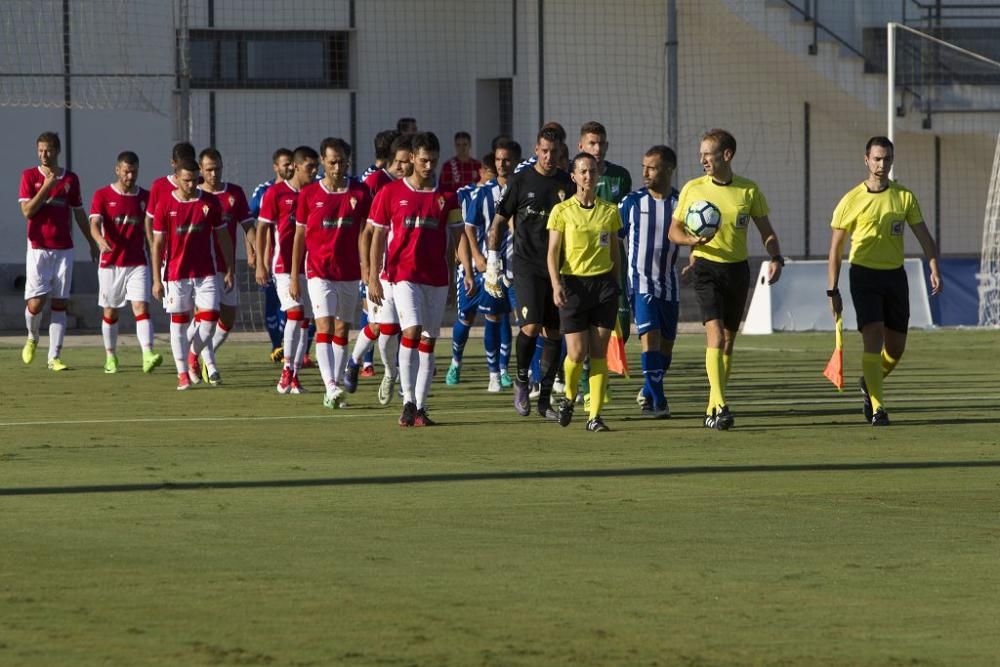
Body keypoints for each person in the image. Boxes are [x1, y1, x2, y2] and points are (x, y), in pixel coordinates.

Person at [668, 128, 784, 430]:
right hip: (706, 268)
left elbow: (766, 231)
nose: (702, 159)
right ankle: (720, 407)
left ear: (727, 155)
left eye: (709, 153)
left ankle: (712, 405)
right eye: (702, 153)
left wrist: (776, 258)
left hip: (737, 270)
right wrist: (691, 241)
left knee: (729, 342)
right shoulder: (693, 189)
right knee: (716, 337)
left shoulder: (749, 191)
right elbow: (674, 231)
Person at [828, 136, 942, 426]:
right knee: (873, 334)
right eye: (877, 158)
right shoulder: (850, 200)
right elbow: (836, 249)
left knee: (896, 348)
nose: (882, 164)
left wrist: (934, 267)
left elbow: (925, 237)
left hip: (895, 276)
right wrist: (833, 290)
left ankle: (869, 382)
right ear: (866, 160)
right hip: (863, 274)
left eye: (887, 159)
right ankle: (878, 408)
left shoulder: (904, 197)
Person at [367, 131, 473, 427]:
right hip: (402, 276)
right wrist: (374, 276)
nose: (429, 166)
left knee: (429, 339)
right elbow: (376, 235)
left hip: (436, 277)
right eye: (424, 160)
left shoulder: (447, 196)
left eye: (434, 161)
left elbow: (457, 235)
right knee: (411, 331)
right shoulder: (390, 193)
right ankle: (408, 401)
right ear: (412, 158)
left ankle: (421, 408)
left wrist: (465, 271)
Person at [486, 125, 575, 419]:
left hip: (559, 269)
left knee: (555, 333)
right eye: (544, 151)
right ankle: (522, 381)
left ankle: (544, 399)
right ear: (536, 150)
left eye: (554, 152)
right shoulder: (521, 181)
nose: (549, 157)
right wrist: (492, 262)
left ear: (561, 153)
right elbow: (498, 223)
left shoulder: (568, 184)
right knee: (530, 327)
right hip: (526, 266)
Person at [290, 137, 371, 410]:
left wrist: (367, 271)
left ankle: (333, 387)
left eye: (342, 162)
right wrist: (293, 276)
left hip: (349, 272)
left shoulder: (360, 193)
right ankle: (331, 385)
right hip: (318, 271)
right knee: (323, 326)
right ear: (323, 162)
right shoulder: (309, 195)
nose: (337, 167)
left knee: (342, 330)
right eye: (332, 162)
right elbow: (299, 236)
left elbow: (364, 234)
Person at [547, 152, 622, 432]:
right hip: (573, 286)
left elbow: (615, 252)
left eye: (592, 171)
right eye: (583, 171)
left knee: (599, 353)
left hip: (603, 287)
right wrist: (556, 285)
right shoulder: (562, 211)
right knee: (577, 354)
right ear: (574, 176)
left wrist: (616, 287)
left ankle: (594, 416)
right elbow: (553, 253)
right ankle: (568, 396)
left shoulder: (609, 211)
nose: (588, 176)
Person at [150, 158, 234, 390]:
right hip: (176, 274)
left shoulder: (210, 203)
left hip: (206, 271)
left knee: (210, 318)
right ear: (176, 178)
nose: (191, 185)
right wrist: (157, 279)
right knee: (179, 322)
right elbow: (157, 244)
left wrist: (229, 268)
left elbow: (223, 236)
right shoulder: (165, 204)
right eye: (186, 180)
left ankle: (192, 355)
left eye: (194, 180)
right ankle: (182, 374)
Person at [19, 131, 98, 371]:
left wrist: (92, 242)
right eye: (40, 150)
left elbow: (79, 213)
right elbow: (27, 212)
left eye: (48, 150)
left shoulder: (71, 179)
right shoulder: (29, 176)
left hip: (64, 249)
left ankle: (54, 357)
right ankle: (32, 337)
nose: (44, 155)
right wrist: (46, 186)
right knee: (35, 304)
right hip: (38, 249)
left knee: (60, 302)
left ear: (57, 151)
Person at [346, 134, 413, 404]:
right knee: (381, 327)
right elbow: (366, 228)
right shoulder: (376, 183)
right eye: (400, 162)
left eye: (408, 161)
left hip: (407, 272)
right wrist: (366, 268)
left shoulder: (418, 187)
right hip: (380, 271)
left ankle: (363, 364)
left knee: (394, 328)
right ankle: (377, 368)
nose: (403, 167)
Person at [451, 141, 519, 391]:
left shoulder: (522, 188)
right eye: (498, 160)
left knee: (522, 323)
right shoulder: (482, 193)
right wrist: (478, 257)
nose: (501, 164)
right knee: (489, 317)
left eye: (507, 159)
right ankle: (491, 373)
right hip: (490, 267)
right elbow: (468, 227)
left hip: (516, 267)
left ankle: (510, 371)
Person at [88, 150, 163, 374]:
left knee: (141, 306)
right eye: (127, 172)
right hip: (111, 263)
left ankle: (148, 354)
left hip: (137, 262)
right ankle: (111, 357)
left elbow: (153, 229)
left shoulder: (145, 198)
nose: (130, 176)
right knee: (111, 312)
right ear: (117, 170)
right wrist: (100, 240)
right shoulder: (102, 195)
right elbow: (94, 224)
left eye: (134, 172)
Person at [619, 145, 680, 418]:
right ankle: (659, 402)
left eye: (651, 167)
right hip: (639, 282)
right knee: (650, 338)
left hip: (669, 283)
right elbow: (612, 237)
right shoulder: (631, 203)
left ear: (668, 170)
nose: (644, 172)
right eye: (643, 166)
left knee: (665, 348)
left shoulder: (682, 204)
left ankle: (648, 388)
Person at [255, 145, 319, 395]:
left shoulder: (316, 193)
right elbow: (262, 229)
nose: (314, 172)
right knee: (294, 313)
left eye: (316, 167)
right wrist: (261, 262)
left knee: (305, 320)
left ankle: (293, 374)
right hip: (283, 266)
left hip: (312, 266)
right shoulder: (275, 193)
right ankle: (286, 371)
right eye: (309, 167)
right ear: (295, 166)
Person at [189, 148, 255, 379]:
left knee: (228, 317)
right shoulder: (193, 195)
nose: (214, 173)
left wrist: (255, 251)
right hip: (201, 267)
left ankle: (198, 354)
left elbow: (248, 226)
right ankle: (210, 364)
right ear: (200, 170)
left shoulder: (234, 194)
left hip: (227, 267)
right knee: (207, 316)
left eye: (217, 168)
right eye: (209, 169)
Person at [445, 153, 496, 387]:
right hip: (470, 267)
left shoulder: (505, 194)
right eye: (492, 174)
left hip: (495, 267)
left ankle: (497, 371)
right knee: (466, 318)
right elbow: (459, 229)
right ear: (483, 172)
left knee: (496, 316)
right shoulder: (463, 194)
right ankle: (456, 362)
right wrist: (464, 260)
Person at [249, 148, 294, 362]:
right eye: (285, 164)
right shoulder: (264, 191)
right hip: (271, 258)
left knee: (293, 305)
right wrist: (254, 256)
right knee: (272, 302)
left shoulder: (302, 190)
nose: (289, 167)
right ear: (275, 166)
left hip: (295, 260)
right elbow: (251, 225)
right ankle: (277, 345)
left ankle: (290, 348)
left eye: (291, 163)